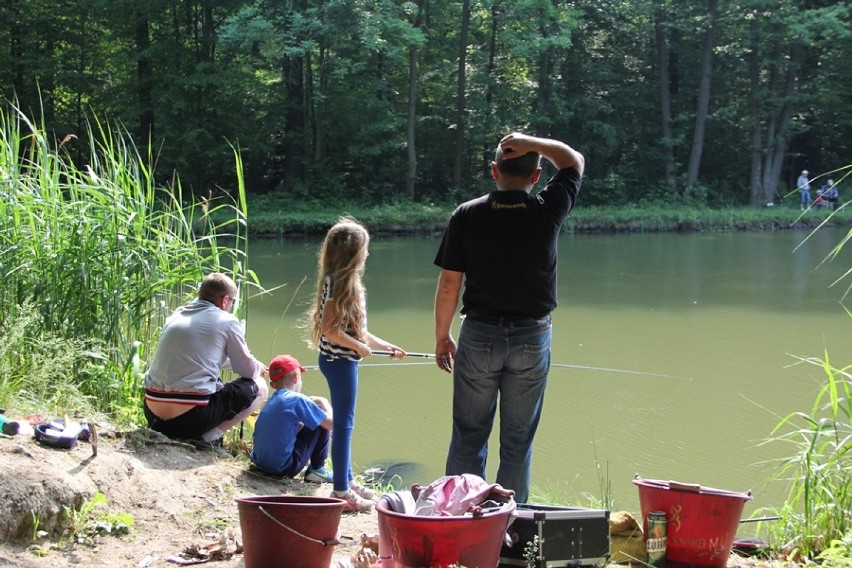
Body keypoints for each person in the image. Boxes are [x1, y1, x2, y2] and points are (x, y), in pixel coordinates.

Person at [433, 132, 584, 504]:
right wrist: (533, 142)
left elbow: (450, 285)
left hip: (479, 335)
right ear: (536, 177)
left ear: (493, 171)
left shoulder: (467, 214)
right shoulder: (547, 210)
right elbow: (572, 161)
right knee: (518, 439)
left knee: (469, 433)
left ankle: (459, 515)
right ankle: (509, 524)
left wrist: (442, 336)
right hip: (533, 337)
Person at [307, 217, 408, 512]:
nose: (367, 254)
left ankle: (347, 479)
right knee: (343, 425)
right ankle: (340, 490)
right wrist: (360, 348)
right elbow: (330, 329)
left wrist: (382, 345)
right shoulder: (339, 284)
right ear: (353, 255)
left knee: (344, 423)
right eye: (365, 249)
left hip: (341, 359)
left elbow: (354, 329)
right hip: (339, 362)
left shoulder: (343, 281)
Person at [143, 272, 268, 450]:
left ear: (198, 295)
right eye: (232, 301)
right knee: (260, 386)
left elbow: (205, 359)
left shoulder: (177, 315)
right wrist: (257, 367)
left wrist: (255, 364)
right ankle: (208, 438)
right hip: (191, 419)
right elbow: (248, 371)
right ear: (225, 300)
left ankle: (197, 435)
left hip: (153, 414)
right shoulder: (227, 321)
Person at [250, 354, 334, 482]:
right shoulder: (297, 399)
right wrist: (324, 402)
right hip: (283, 468)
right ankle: (317, 469)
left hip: (260, 463)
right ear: (296, 377)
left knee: (311, 419)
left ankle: (314, 467)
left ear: (272, 384)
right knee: (320, 415)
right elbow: (332, 425)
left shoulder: (271, 401)